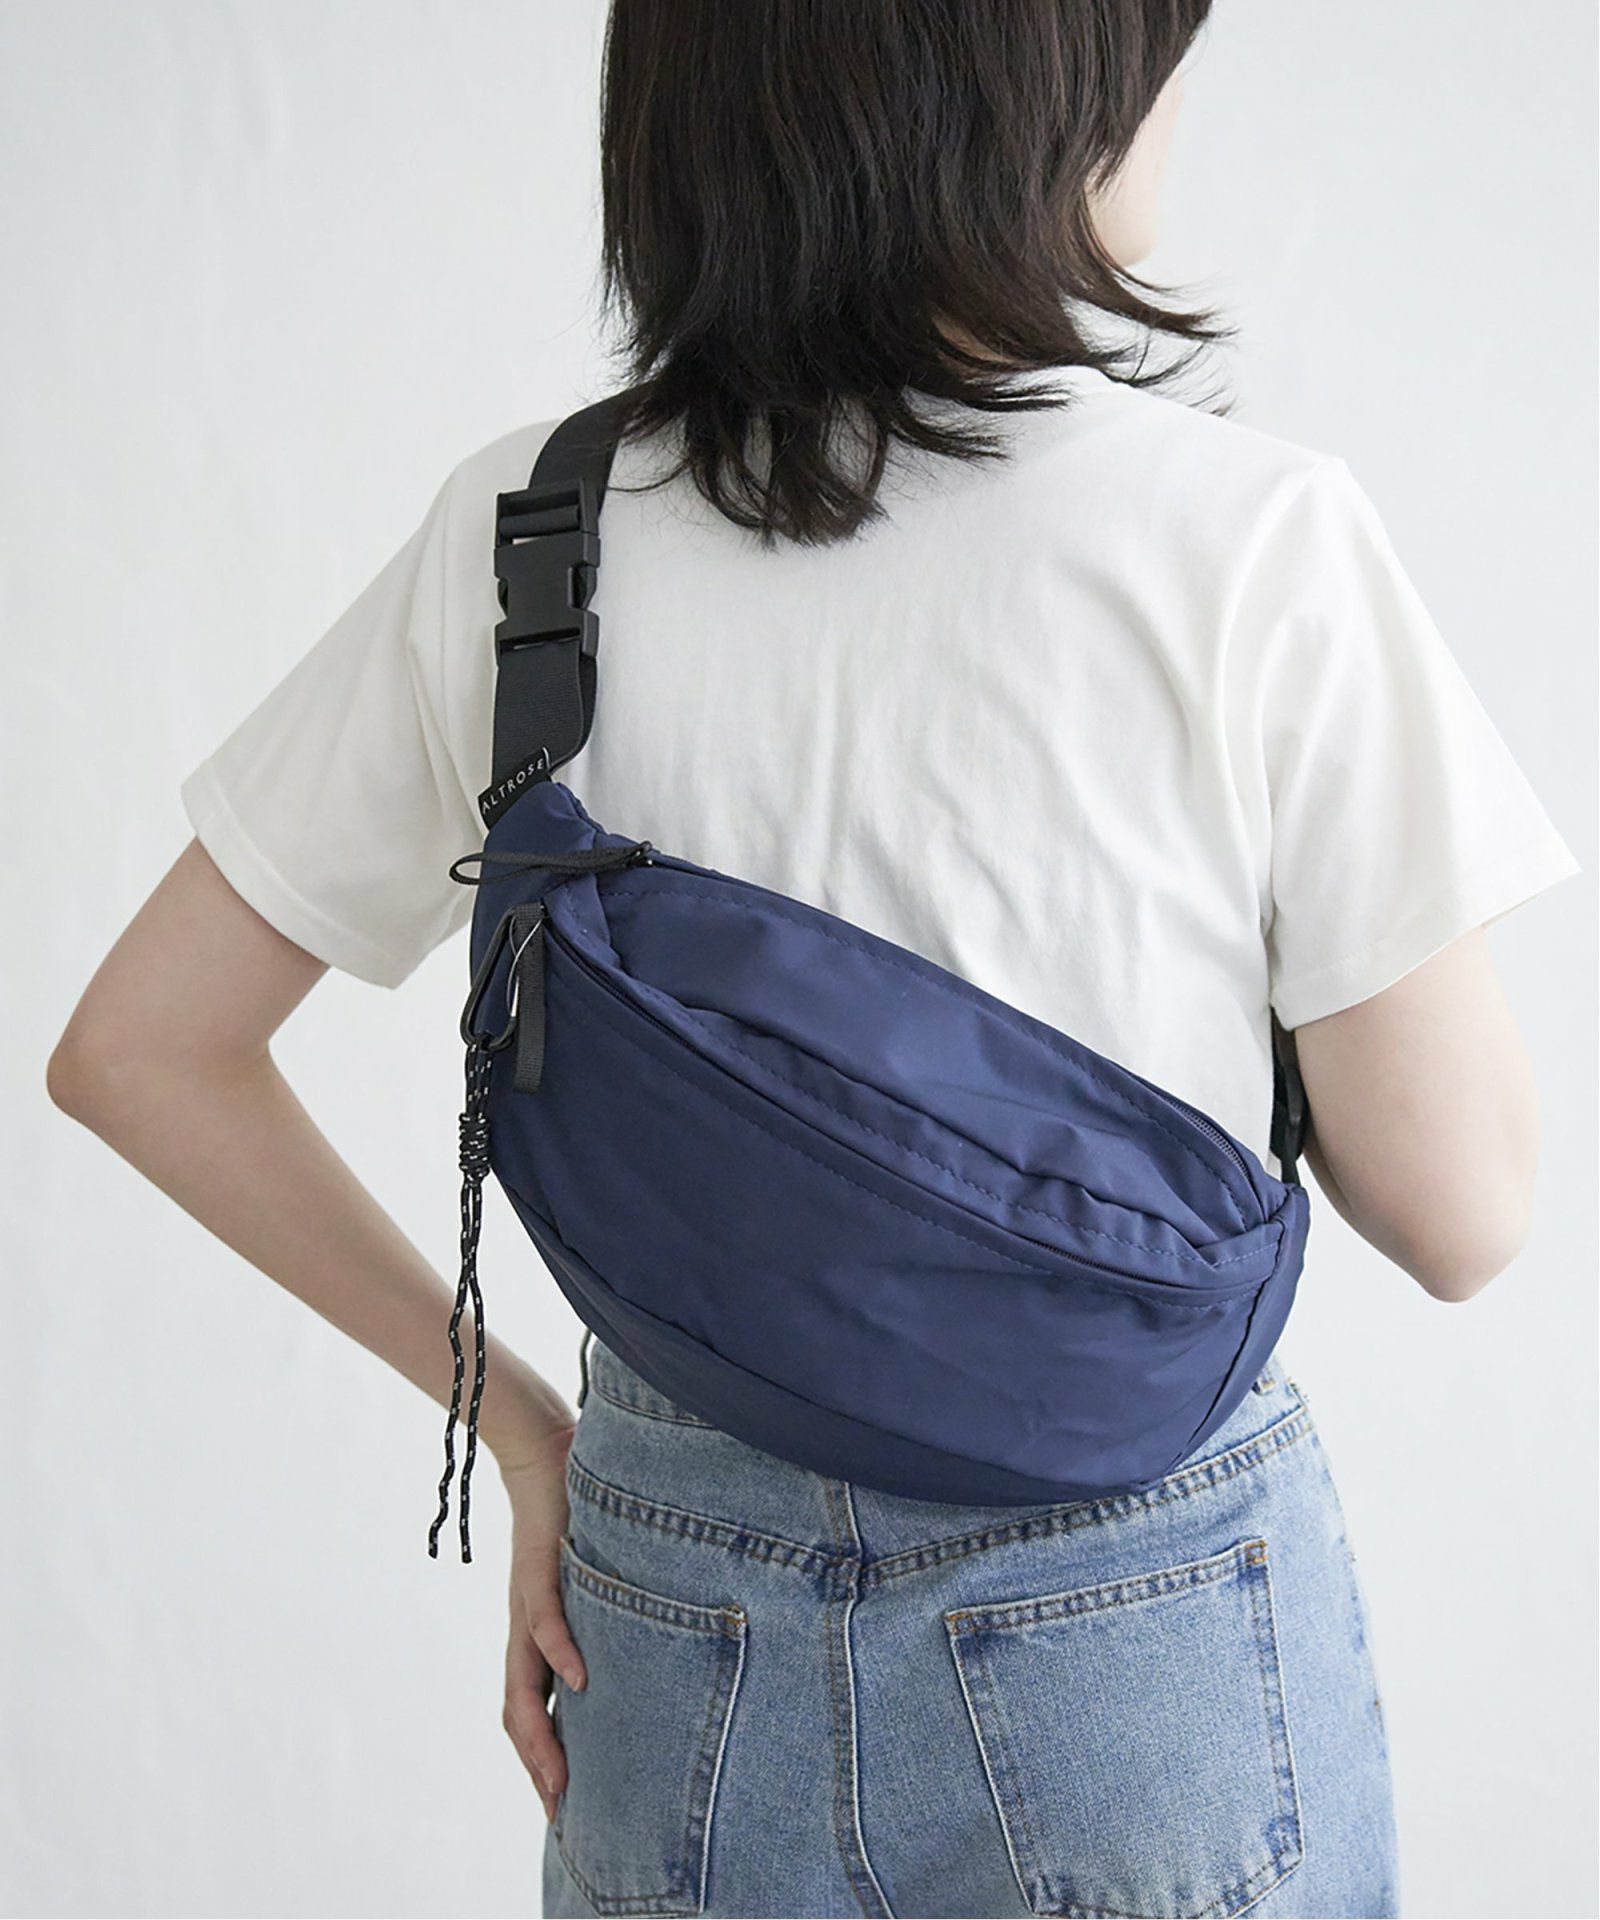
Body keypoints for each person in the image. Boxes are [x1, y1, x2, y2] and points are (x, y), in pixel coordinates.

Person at [48, 3, 1577, 1915]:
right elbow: (1461, 1213)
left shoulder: (536, 537)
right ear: (1033, 105)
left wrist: (525, 1433)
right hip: (1133, 1619)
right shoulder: (1251, 538)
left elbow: (142, 1049)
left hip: (667, 1611)